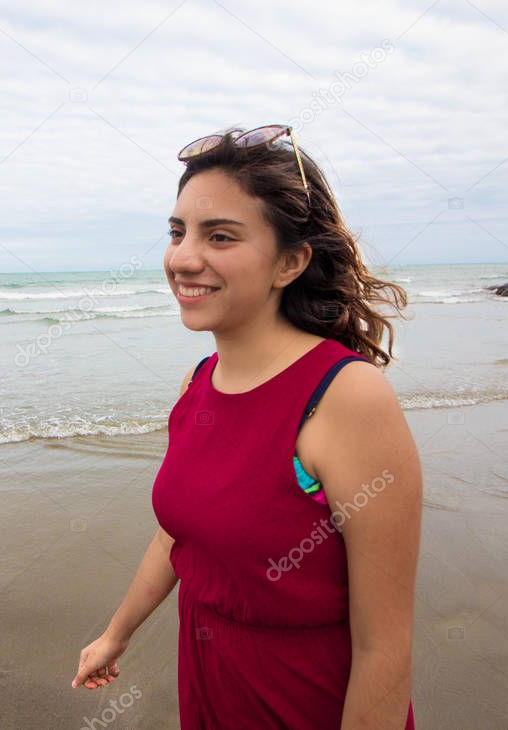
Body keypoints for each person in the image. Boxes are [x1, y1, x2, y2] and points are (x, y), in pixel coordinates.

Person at [70, 125, 421, 729]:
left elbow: (383, 646)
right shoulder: (198, 382)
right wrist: (116, 633)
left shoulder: (345, 396)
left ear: (290, 261)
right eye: (178, 232)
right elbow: (180, 537)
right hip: (208, 684)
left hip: (303, 700)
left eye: (220, 236)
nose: (183, 257)